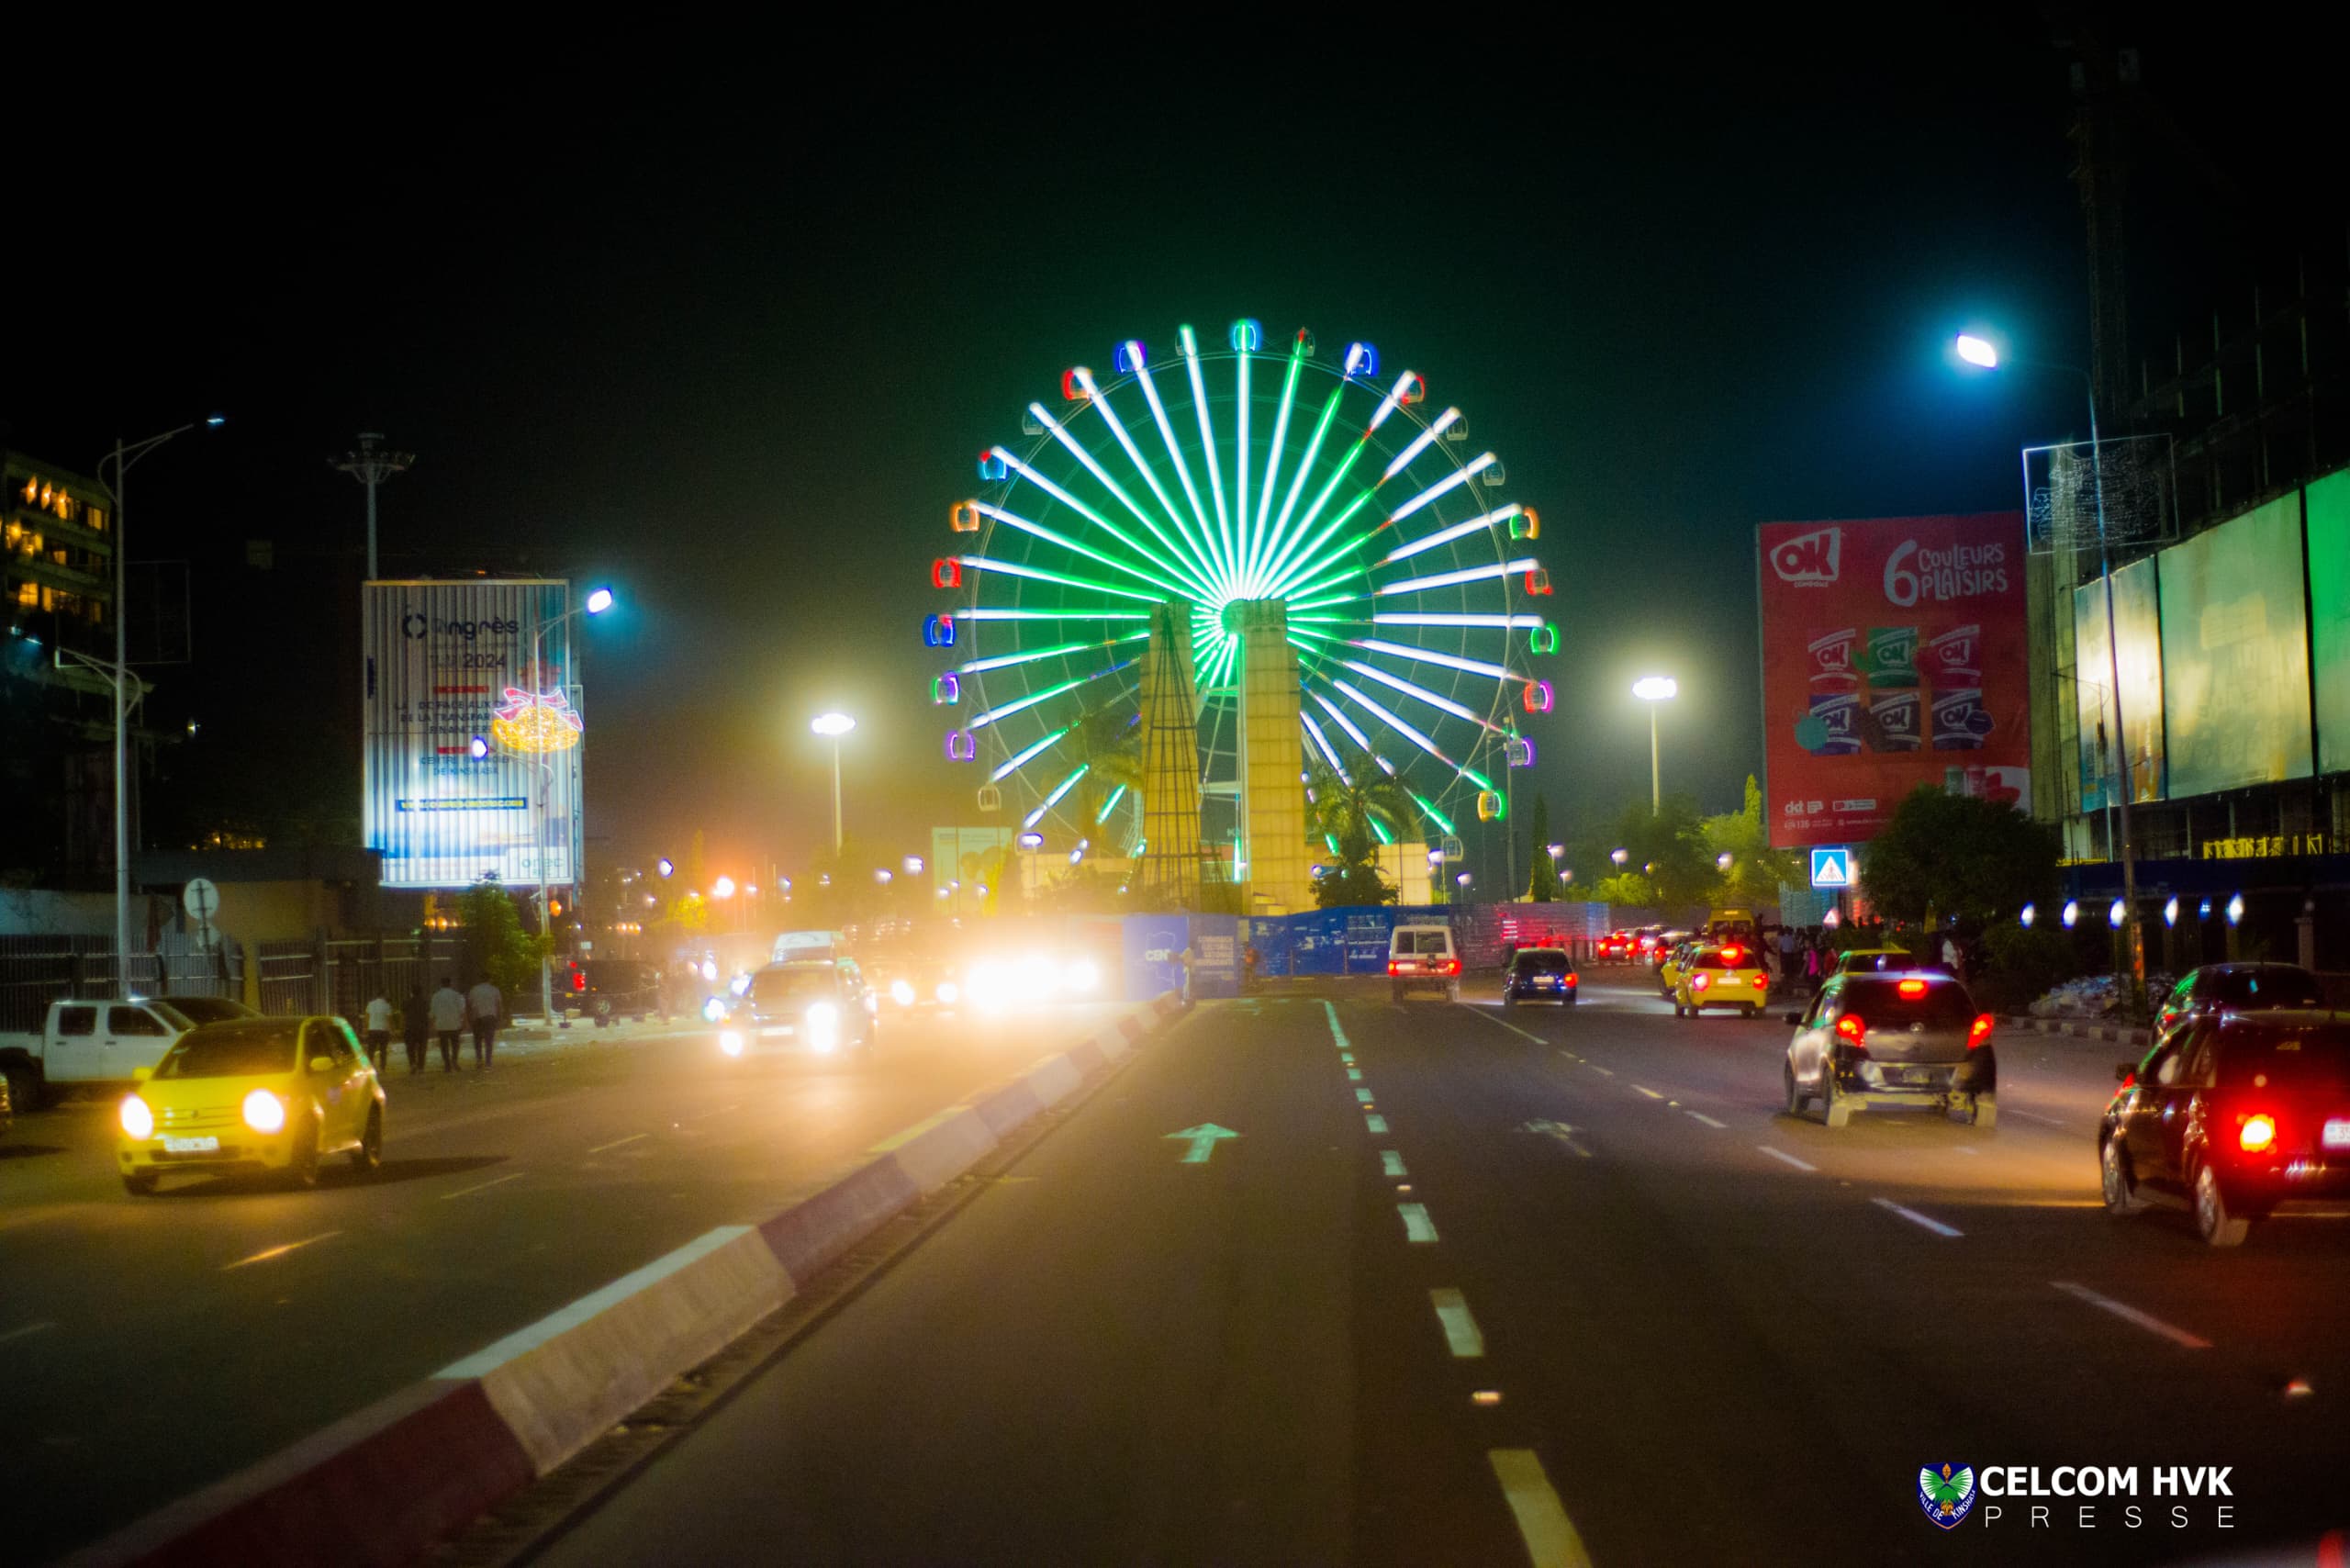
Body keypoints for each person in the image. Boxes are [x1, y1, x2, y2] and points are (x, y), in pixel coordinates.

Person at [429, 977, 467, 1072]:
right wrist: (465, 1022)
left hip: (441, 1024)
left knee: (444, 1045)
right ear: (450, 984)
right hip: (455, 1024)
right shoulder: (456, 995)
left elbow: (432, 1012)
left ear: (441, 984)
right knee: (455, 1044)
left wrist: (432, 1024)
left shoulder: (436, 996)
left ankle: (447, 1064)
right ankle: (454, 1060)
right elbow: (462, 1011)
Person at [466, 974, 504, 1068]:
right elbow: (499, 1005)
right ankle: (488, 1061)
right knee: (489, 1040)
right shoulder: (494, 990)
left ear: (480, 979)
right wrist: (500, 1018)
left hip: (477, 1017)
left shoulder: (474, 990)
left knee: (477, 1040)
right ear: (489, 979)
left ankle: (479, 1060)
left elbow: (469, 1005)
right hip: (490, 1017)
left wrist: (469, 1019)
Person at [402, 982, 431, 1075]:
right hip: (422, 1028)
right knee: (422, 1048)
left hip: (410, 1028)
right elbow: (428, 1013)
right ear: (421, 992)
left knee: (410, 1048)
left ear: (412, 992)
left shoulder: (407, 1002)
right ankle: (421, 1067)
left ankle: (413, 1064)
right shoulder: (424, 1002)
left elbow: (403, 1014)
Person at [363, 991, 394, 1072]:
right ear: (384, 995)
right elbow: (389, 1019)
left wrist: (366, 1028)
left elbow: (367, 1017)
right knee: (383, 1050)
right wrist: (391, 1030)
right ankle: (382, 1067)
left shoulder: (370, 1004)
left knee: (371, 1050)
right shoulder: (387, 1005)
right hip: (384, 1030)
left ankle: (369, 1067)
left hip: (372, 1029)